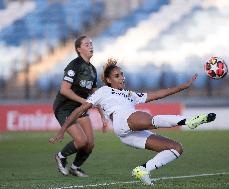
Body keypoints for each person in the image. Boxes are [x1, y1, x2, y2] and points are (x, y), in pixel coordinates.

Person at [49, 58, 216, 184]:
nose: (122, 77)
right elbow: (79, 109)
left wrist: (183, 87)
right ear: (108, 80)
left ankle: (143, 170)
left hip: (129, 134)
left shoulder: (130, 94)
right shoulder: (104, 91)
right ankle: (188, 121)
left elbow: (157, 95)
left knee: (176, 148)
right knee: (149, 119)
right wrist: (62, 130)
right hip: (122, 120)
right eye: (117, 75)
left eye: (122, 74)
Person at [52, 35, 106, 177]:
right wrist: (83, 101)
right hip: (64, 108)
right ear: (78, 49)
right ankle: (60, 156)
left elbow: (96, 95)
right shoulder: (74, 65)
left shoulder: (93, 70)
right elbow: (64, 90)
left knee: (90, 143)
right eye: (87, 44)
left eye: (91, 44)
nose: (91, 46)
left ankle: (75, 168)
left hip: (79, 108)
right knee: (81, 141)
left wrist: (103, 116)